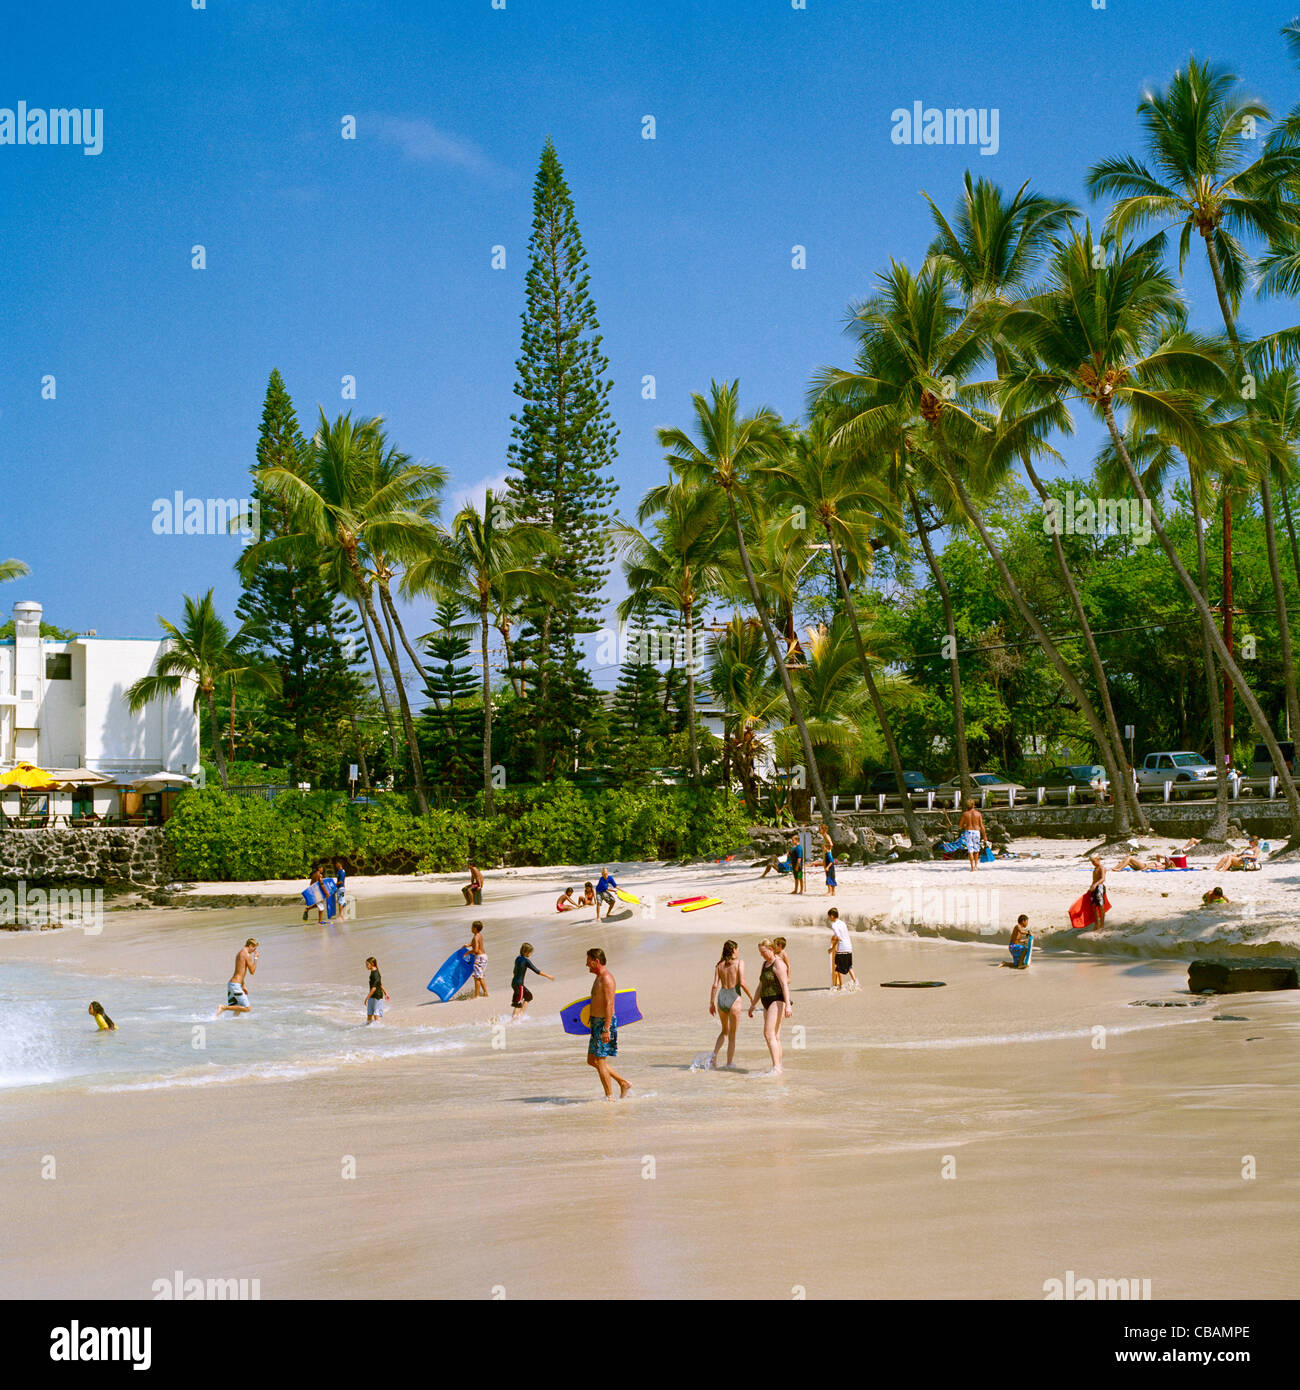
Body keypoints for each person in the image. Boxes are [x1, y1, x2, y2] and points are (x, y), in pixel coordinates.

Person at [584, 947, 631, 1098]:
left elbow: (610, 1005)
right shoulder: (598, 977)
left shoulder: (606, 978)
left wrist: (606, 1029)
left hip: (604, 1023)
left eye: (588, 961)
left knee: (600, 1060)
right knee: (592, 1060)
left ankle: (609, 1097)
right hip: (597, 1023)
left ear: (596, 961)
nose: (586, 965)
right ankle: (623, 1082)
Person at [748, 940, 792, 1074]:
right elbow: (760, 986)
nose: (762, 955)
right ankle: (778, 1066)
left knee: (768, 1033)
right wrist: (753, 1004)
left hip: (777, 1000)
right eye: (760, 953)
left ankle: (776, 1067)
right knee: (775, 1036)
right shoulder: (764, 964)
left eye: (763, 952)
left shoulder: (778, 963)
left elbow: (785, 985)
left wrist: (788, 1004)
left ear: (771, 949)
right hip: (765, 1001)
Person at [708, 939, 751, 1069]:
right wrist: (751, 997)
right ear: (733, 950)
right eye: (737, 949)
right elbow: (742, 983)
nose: (738, 952)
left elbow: (715, 985)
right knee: (732, 1035)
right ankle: (729, 1063)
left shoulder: (719, 965)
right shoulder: (739, 963)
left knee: (724, 1031)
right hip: (734, 998)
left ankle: (713, 1058)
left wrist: (711, 1003)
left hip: (721, 997)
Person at [511, 942, 554, 1019]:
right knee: (518, 1003)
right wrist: (548, 976)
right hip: (519, 984)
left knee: (528, 996)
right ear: (526, 952)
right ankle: (513, 1020)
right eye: (530, 952)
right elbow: (536, 971)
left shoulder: (517, 959)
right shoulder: (526, 960)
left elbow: (514, 971)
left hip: (514, 983)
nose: (530, 954)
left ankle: (520, 1015)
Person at [218, 938, 259, 1015]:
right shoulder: (247, 955)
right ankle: (223, 1007)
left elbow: (240, 971)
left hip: (232, 984)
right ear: (250, 945)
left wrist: (243, 985)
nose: (254, 951)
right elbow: (252, 971)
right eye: (254, 948)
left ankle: (218, 1019)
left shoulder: (240, 953)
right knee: (247, 1008)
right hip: (235, 986)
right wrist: (256, 958)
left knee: (237, 1008)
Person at [826, 908, 857, 990]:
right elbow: (842, 934)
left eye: (829, 917)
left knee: (838, 968)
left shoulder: (834, 925)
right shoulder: (842, 923)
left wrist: (832, 948)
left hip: (842, 948)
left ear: (832, 916)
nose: (829, 918)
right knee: (849, 966)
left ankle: (841, 986)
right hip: (849, 946)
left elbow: (839, 937)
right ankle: (855, 982)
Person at [959, 798, 985, 872]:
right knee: (976, 850)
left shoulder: (965, 814)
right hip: (976, 832)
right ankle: (976, 866)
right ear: (974, 805)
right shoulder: (978, 814)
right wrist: (985, 835)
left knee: (970, 850)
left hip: (968, 832)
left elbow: (960, 825)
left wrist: (965, 825)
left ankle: (971, 867)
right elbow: (981, 825)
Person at [466, 921, 488, 999]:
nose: (471, 928)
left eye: (472, 927)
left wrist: (468, 952)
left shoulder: (475, 937)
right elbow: (476, 943)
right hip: (484, 956)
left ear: (475, 928)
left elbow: (475, 950)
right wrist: (468, 945)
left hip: (479, 958)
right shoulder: (479, 935)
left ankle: (477, 995)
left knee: (477, 977)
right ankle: (486, 993)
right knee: (480, 976)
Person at [1086, 855, 1108, 931]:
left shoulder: (1102, 868)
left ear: (1098, 859)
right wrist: (1090, 888)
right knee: (1093, 906)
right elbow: (1093, 880)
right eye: (1092, 862)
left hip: (1100, 888)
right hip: (1094, 888)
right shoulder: (1095, 869)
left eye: (1094, 861)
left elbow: (1103, 879)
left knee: (1101, 906)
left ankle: (1102, 925)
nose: (1093, 863)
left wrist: (1095, 884)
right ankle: (1096, 924)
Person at [364, 956, 389, 1023]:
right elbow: (380, 984)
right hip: (373, 996)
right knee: (369, 1014)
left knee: (376, 1014)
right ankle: (368, 1028)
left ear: (372, 964)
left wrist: (366, 998)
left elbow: (374, 988)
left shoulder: (375, 974)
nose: (366, 966)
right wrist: (386, 993)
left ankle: (378, 1029)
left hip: (377, 996)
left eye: (367, 964)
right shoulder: (373, 972)